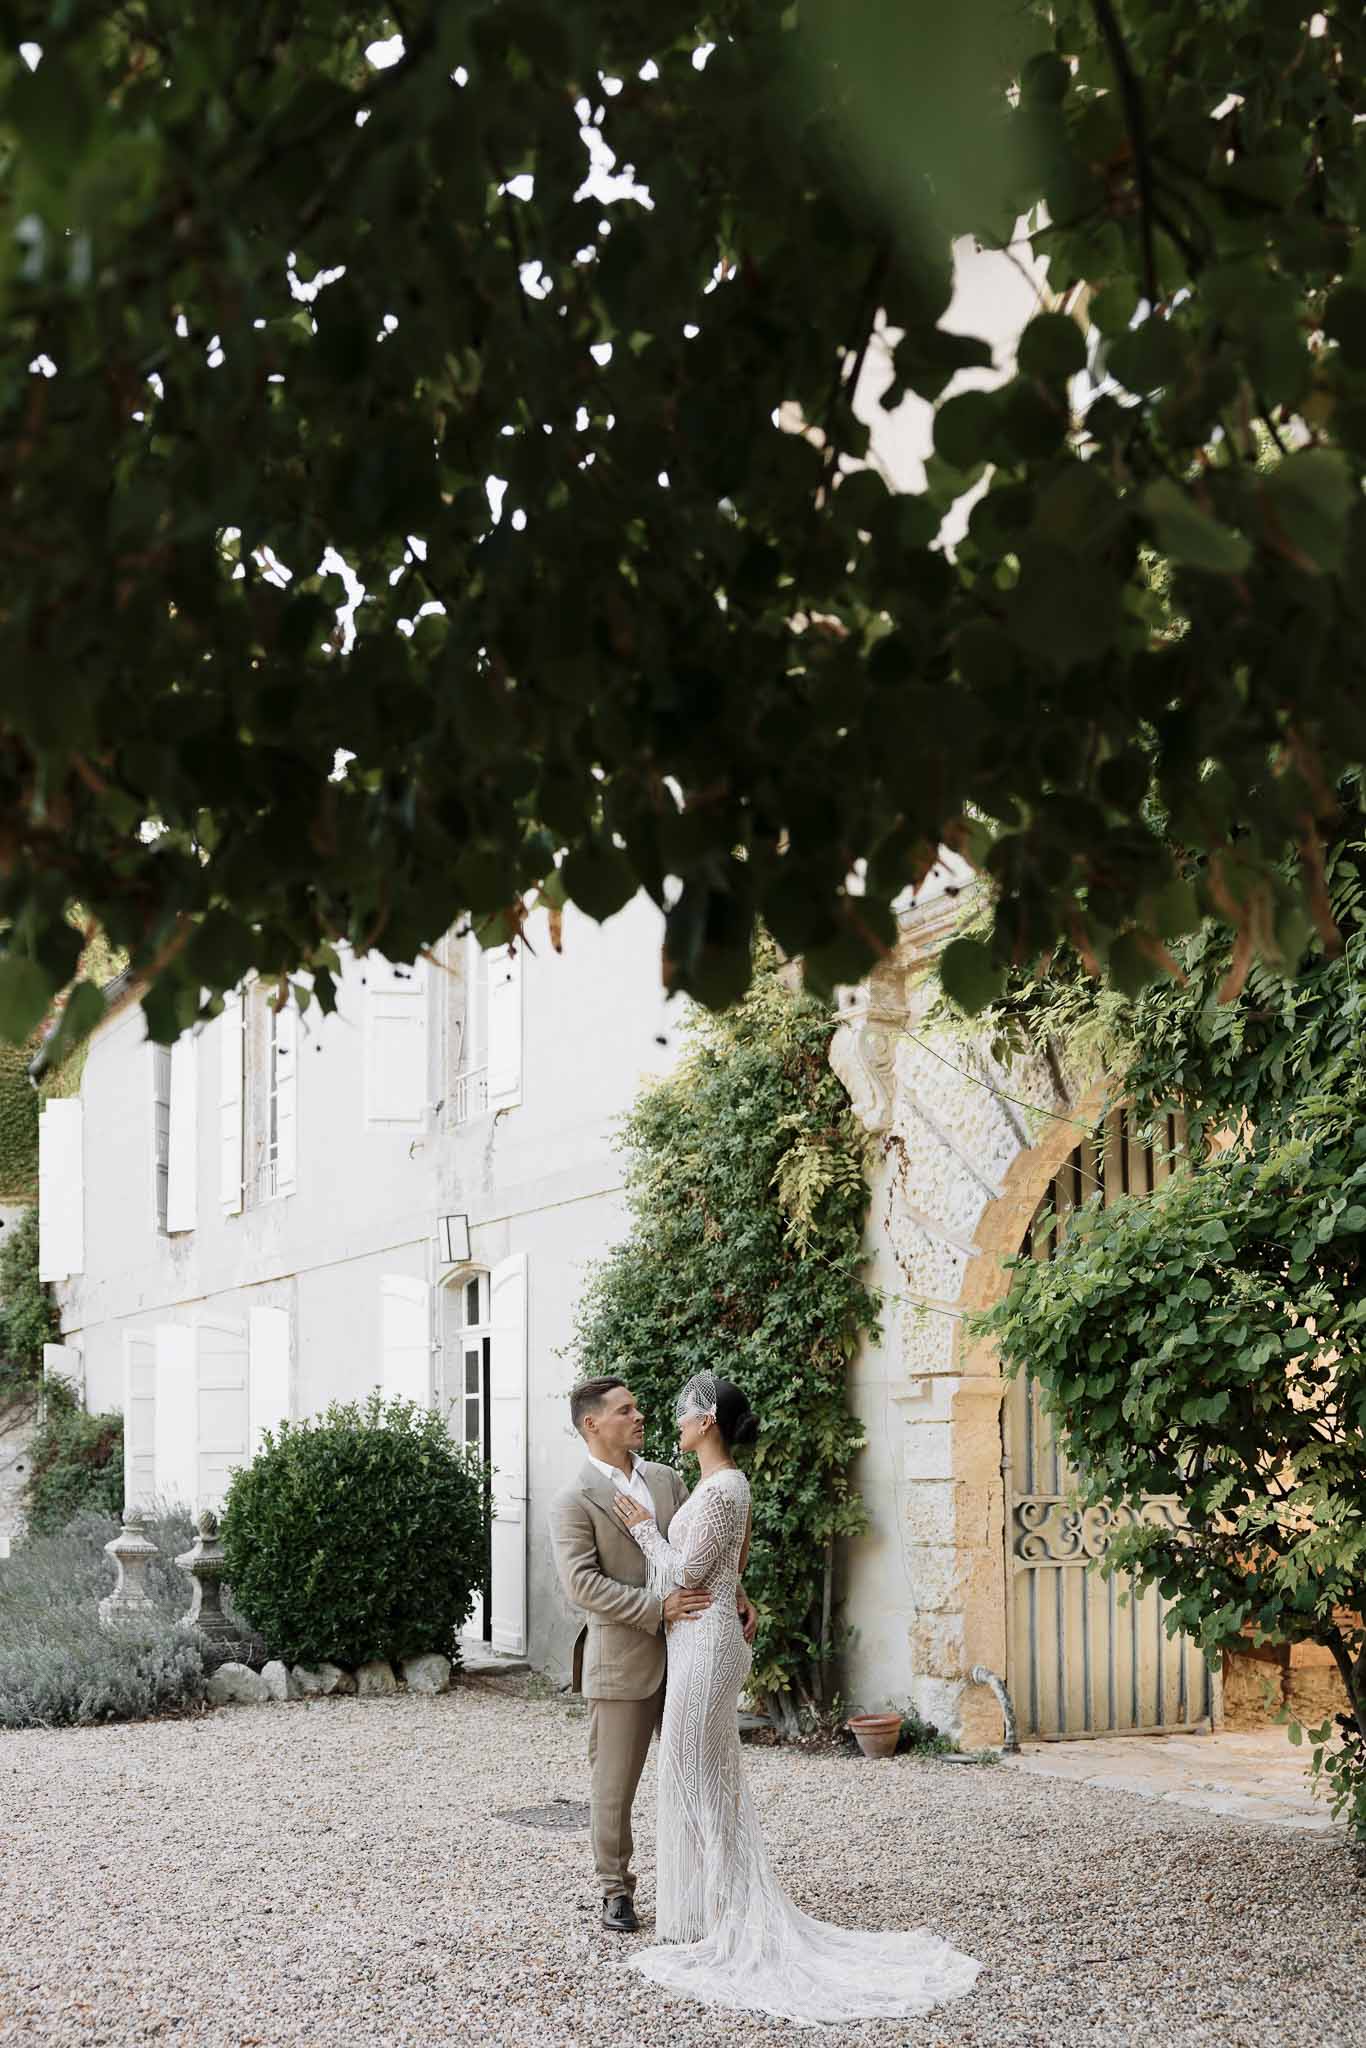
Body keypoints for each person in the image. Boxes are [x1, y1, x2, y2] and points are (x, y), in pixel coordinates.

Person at [608, 1371, 983, 2026]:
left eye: (685, 1413)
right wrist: (734, 1593)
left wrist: (644, 1529)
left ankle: (732, 1920)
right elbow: (730, 1569)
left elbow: (689, 1574)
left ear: (709, 1423)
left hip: (705, 1646)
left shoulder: (723, 1489)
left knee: (694, 1777)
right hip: (703, 1638)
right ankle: (715, 1910)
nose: (675, 1421)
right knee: (703, 1777)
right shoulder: (718, 1487)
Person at [549, 1376, 758, 1933]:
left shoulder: (666, 1479)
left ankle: (703, 1888)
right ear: (592, 1424)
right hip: (621, 1661)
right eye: (625, 1410)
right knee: (613, 1787)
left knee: (698, 1774)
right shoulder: (573, 1500)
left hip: (692, 1651)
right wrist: (655, 1608)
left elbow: (704, 1550)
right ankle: (616, 1890)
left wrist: (736, 1594)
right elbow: (582, 1586)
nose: (639, 1416)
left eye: (638, 1406)